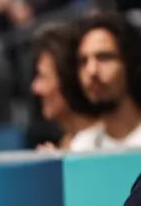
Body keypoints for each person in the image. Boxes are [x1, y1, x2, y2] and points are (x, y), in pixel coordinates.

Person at [71, 12, 141, 152]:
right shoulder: (82, 146)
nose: (92, 71)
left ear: (131, 64)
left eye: (104, 58)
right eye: (83, 61)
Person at [30, 23, 97, 151]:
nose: (35, 88)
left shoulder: (101, 148)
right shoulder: (69, 147)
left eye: (42, 76)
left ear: (69, 79)